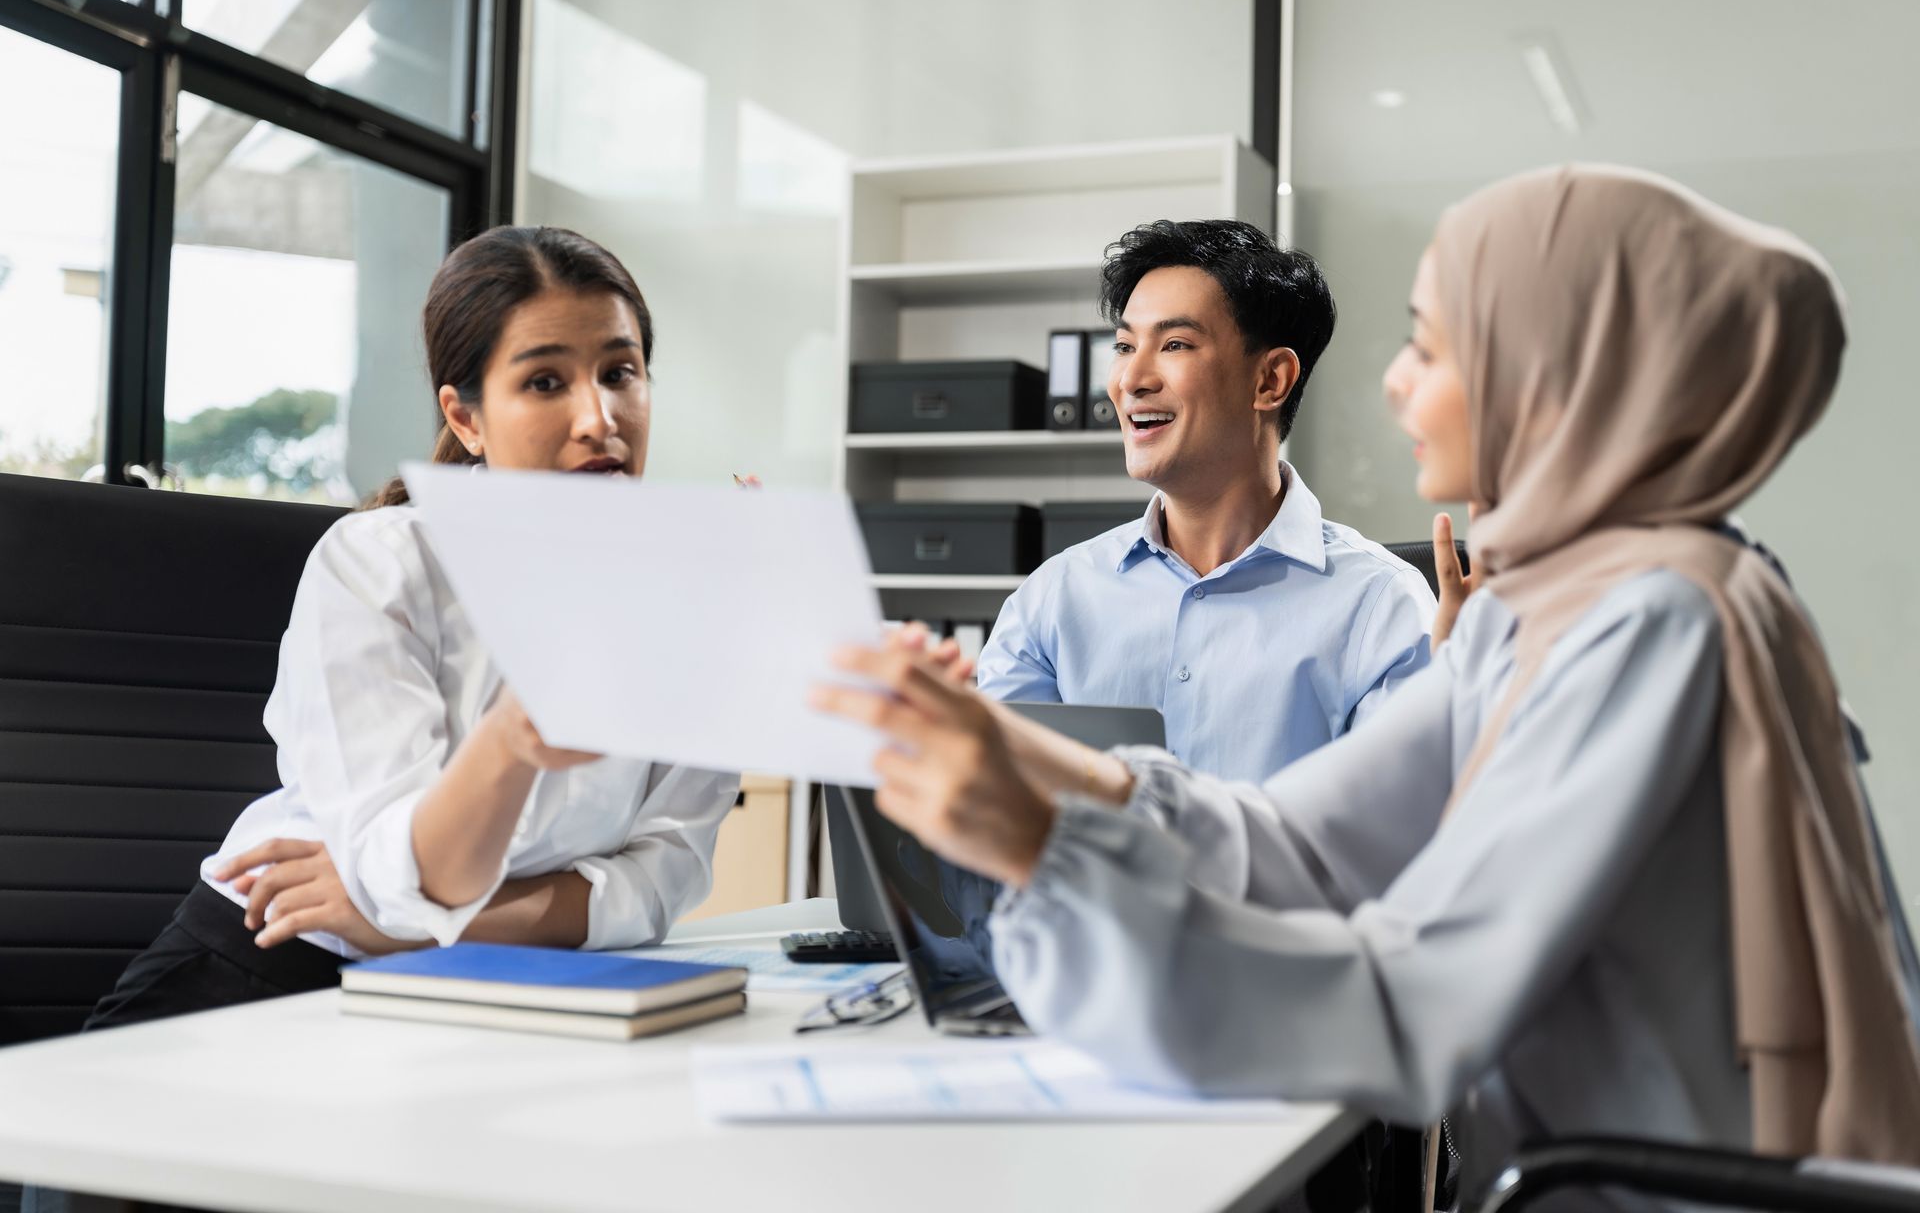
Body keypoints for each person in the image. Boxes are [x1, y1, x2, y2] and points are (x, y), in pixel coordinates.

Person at [814, 166, 1920, 1199]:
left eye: (1431, 348)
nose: (1394, 381)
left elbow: (1417, 1000)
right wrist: (1010, 750)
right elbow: (1294, 844)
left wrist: (1046, 857)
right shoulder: (1546, 612)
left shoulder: (1658, 619)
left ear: (1556, 373)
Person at [84, 225, 740, 1030]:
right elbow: (410, 875)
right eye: (544, 382)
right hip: (277, 966)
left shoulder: (696, 598)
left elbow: (661, 879)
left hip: (510, 986)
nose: (598, 418)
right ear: (466, 419)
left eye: (620, 371)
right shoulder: (380, 563)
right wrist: (506, 748)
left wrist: (411, 921)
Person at [976, 220, 1435, 782]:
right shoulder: (1053, 600)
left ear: (1270, 380)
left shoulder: (1381, 607)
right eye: (1124, 346)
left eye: (1174, 344)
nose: (1130, 379)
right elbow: (1000, 828)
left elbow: (1391, 841)